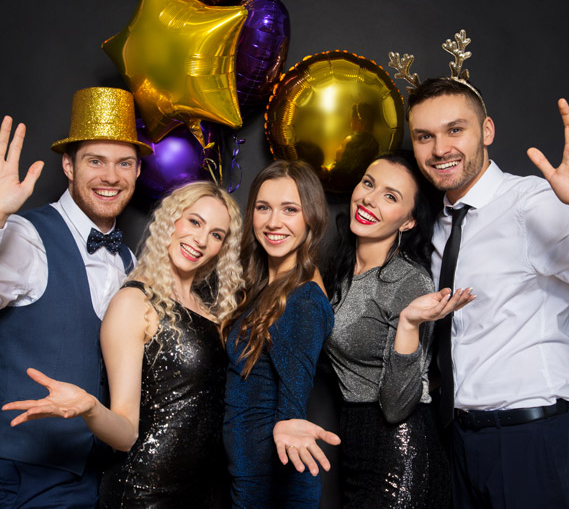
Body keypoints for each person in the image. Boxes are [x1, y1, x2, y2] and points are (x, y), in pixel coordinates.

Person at [406, 77, 569, 508]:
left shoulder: (534, 203)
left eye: (455, 130)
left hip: (531, 441)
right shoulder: (433, 225)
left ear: (487, 131)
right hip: (457, 442)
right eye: (424, 136)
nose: (440, 149)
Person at [4, 181, 244, 508]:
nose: (201, 240)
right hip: (148, 493)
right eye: (194, 221)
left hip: (205, 492)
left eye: (216, 234)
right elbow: (126, 434)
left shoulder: (210, 312)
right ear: (170, 220)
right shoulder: (134, 302)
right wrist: (91, 407)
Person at [0, 87, 151, 508]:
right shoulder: (25, 235)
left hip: (94, 477)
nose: (111, 177)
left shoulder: (129, 259)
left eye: (124, 163)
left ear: (138, 171)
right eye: (95, 161)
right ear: (68, 165)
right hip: (21, 475)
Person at [322, 150, 475, 508]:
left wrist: (408, 323)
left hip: (401, 454)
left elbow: (396, 407)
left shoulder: (409, 281)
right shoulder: (340, 270)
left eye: (390, 197)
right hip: (355, 446)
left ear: (408, 222)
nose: (369, 199)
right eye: (368, 184)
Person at [220, 160, 334, 508]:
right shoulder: (263, 289)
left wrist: (290, 420)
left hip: (274, 485)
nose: (273, 222)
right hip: (248, 478)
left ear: (311, 217)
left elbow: (297, 382)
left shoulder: (304, 298)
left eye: (290, 209)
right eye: (263, 208)